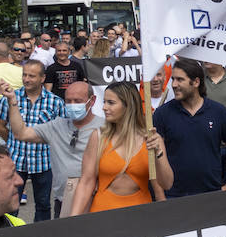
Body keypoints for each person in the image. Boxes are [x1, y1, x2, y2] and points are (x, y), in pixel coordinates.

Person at [0, 79, 104, 217]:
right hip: (62, 200)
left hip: (96, 198)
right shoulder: (56, 126)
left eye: (77, 101)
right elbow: (21, 133)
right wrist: (12, 100)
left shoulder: (105, 127)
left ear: (92, 100)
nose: (72, 105)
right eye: (68, 101)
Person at [74, 82, 172, 214]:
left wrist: (158, 153)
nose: (104, 107)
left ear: (128, 105)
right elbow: (86, 182)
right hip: (103, 213)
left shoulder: (150, 138)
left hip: (141, 215)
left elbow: (166, 184)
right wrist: (72, 220)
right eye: (104, 102)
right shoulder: (98, 136)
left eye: (111, 102)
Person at [151, 59, 226, 196]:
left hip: (212, 195)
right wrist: (160, 197)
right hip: (175, 198)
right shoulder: (162, 114)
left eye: (180, 80)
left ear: (196, 82)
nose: (174, 84)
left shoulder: (218, 111)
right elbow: (154, 159)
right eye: (173, 79)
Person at [0, 59, 64, 223]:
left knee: (43, 205)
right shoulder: (9, 99)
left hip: (43, 162)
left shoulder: (55, 102)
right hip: (16, 161)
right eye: (24, 75)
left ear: (42, 78)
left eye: (32, 76)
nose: (26, 79)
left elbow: (61, 133)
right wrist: (13, 141)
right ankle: (9, 236)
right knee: (10, 206)